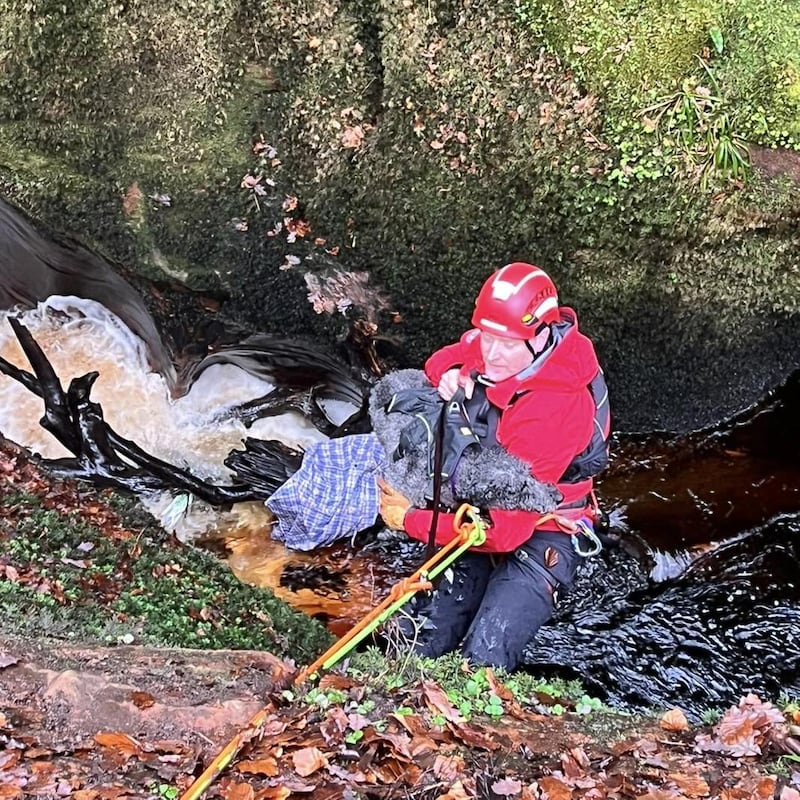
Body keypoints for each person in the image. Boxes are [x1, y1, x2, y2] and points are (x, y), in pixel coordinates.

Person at [377, 261, 610, 672]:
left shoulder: (553, 409)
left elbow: (504, 533)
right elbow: (445, 358)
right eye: (488, 337)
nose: (491, 354)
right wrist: (452, 373)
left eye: (506, 343)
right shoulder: (502, 346)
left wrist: (410, 519)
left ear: (541, 335)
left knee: (482, 659)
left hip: (544, 526)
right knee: (416, 645)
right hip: (486, 502)